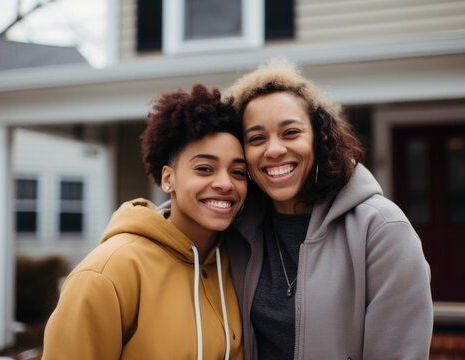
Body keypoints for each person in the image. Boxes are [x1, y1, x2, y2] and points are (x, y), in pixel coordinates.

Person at [224, 58, 433, 360]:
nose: (274, 150)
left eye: (290, 133)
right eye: (256, 138)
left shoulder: (383, 230)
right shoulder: (237, 227)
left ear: (320, 139)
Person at [42, 84, 246, 360]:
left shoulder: (237, 264)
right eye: (204, 169)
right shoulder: (106, 273)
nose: (225, 183)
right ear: (167, 178)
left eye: (238, 172)